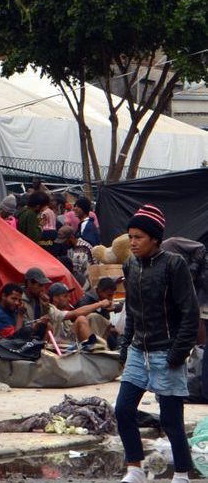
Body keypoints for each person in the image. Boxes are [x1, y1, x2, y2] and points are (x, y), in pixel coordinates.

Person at [114, 204, 198, 483]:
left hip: (167, 352)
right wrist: (125, 348)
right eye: (130, 237)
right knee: (123, 410)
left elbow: (190, 313)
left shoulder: (174, 265)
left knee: (171, 420)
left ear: (154, 238)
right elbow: (132, 311)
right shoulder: (130, 265)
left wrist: (178, 353)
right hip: (139, 352)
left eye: (138, 237)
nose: (133, 243)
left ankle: (182, 475)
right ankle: (135, 469)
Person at [44, 282, 106, 351]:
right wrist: (100, 304)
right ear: (55, 298)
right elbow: (76, 313)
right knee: (81, 319)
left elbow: (71, 330)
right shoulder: (51, 309)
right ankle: (92, 350)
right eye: (65, 296)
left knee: (92, 317)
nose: (69, 299)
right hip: (54, 347)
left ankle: (99, 348)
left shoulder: (62, 311)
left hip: (66, 344)